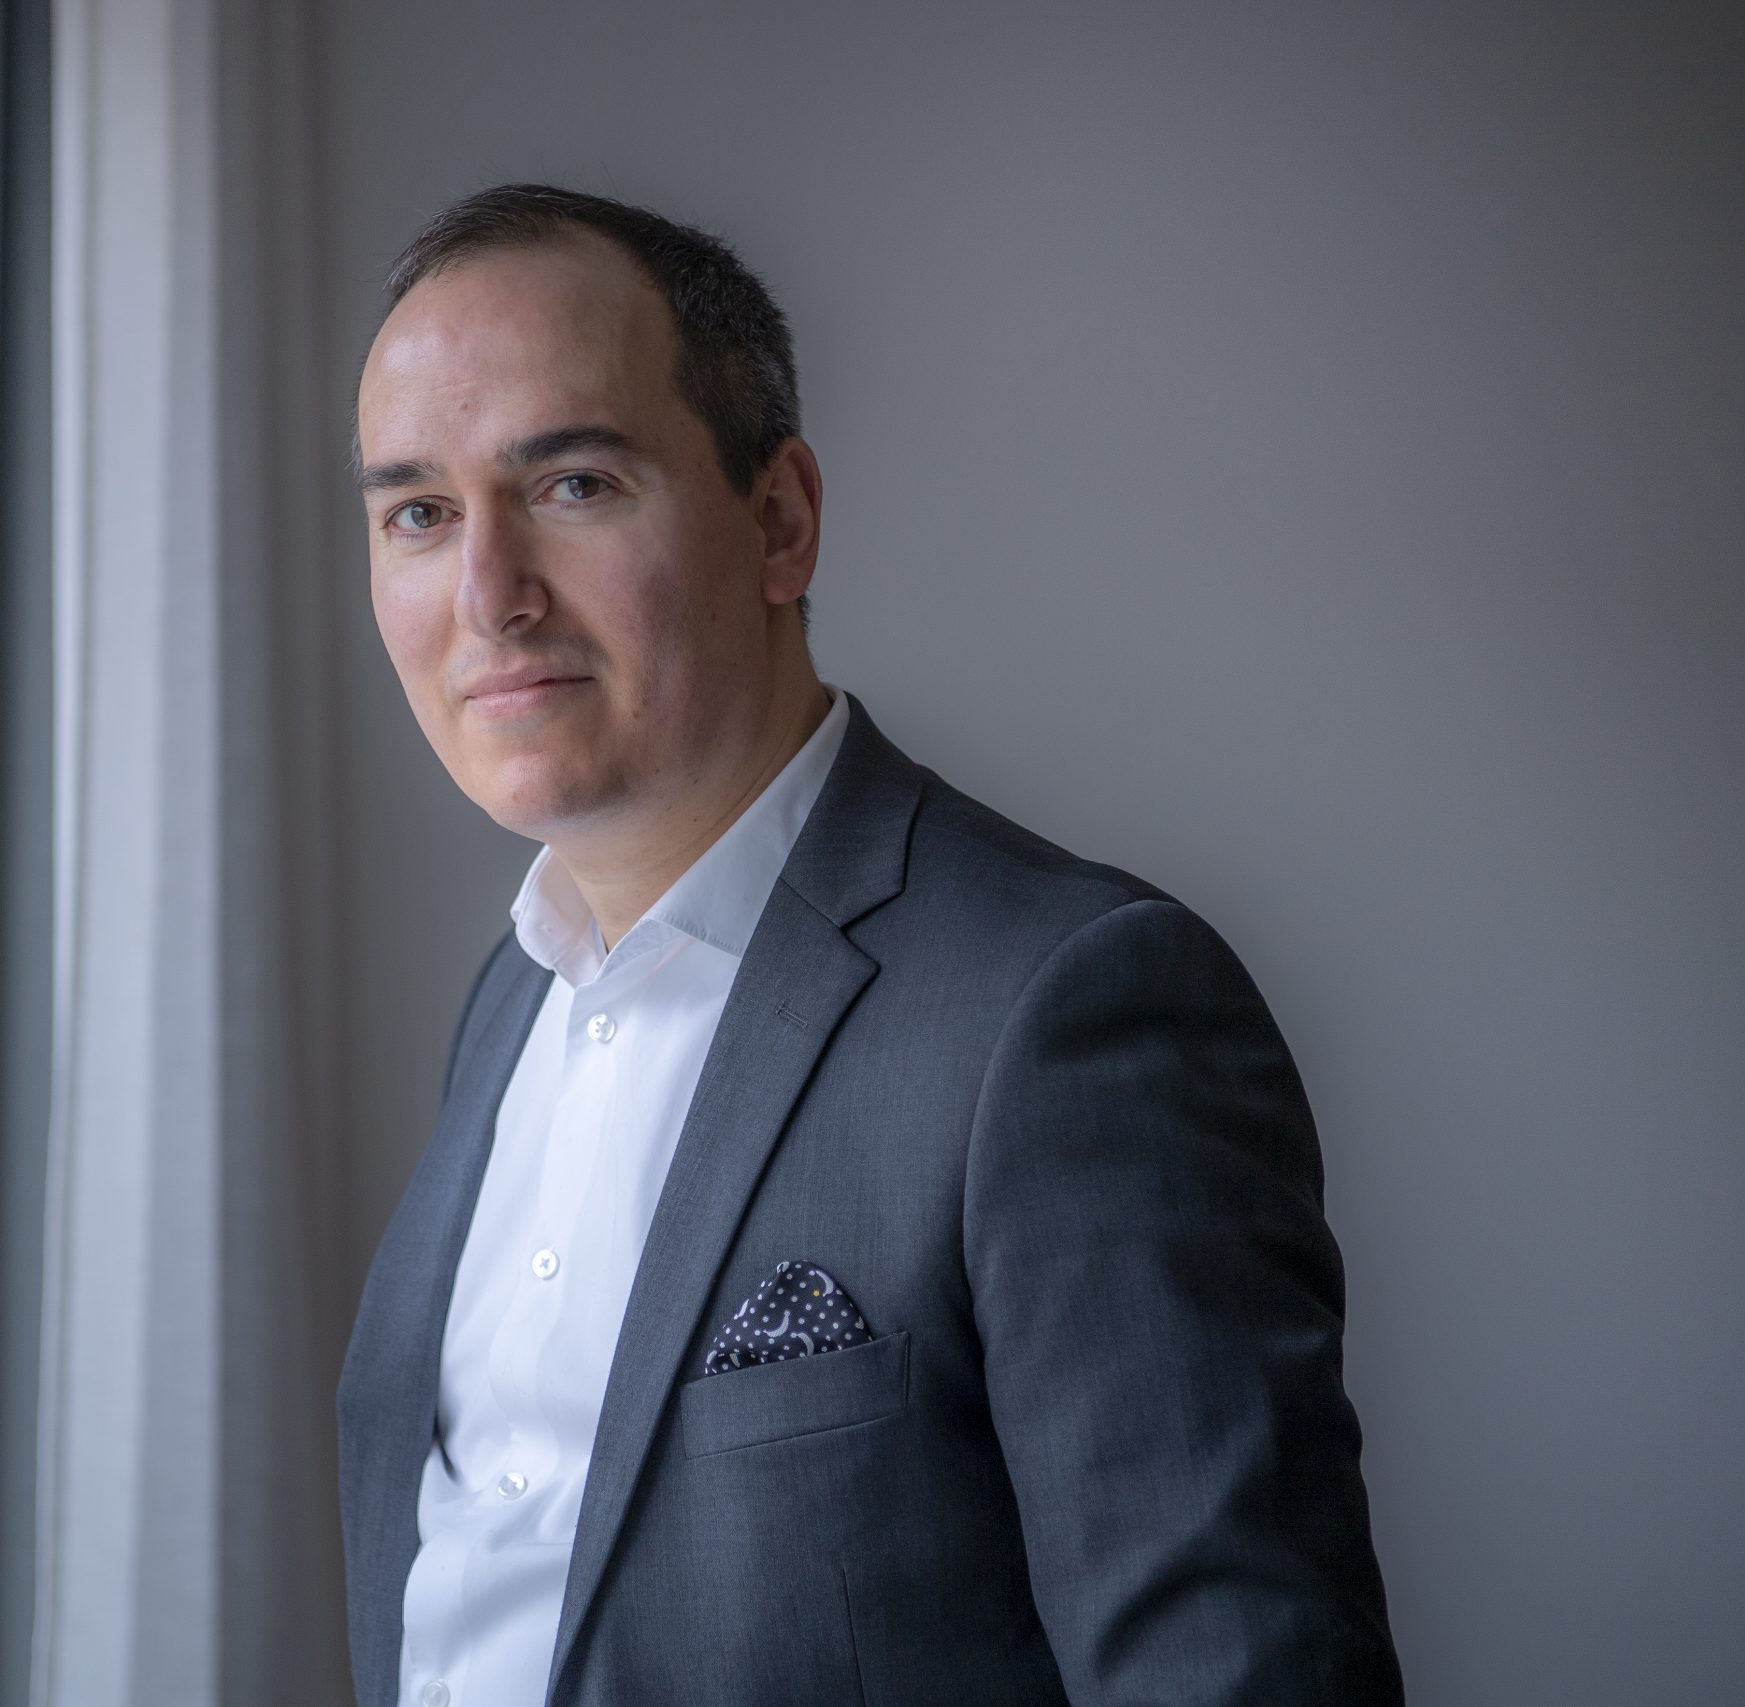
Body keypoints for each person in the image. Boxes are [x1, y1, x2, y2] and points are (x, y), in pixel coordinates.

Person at [335, 183, 1402, 1707]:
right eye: (420, 515)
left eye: (572, 484)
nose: (486, 597)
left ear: (781, 520)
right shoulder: (505, 1010)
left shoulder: (1065, 1010)